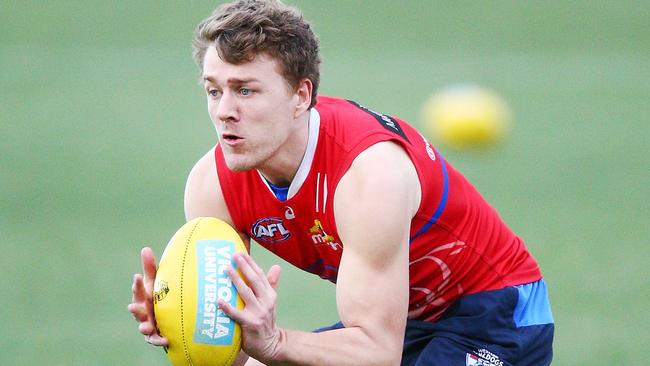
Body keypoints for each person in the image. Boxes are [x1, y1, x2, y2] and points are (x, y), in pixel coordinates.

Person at [128, 0, 554, 365]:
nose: (224, 111)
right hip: (395, 321)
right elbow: (243, 357)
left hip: (496, 315)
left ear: (300, 96)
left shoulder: (369, 173)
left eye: (245, 90)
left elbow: (376, 351)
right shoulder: (212, 187)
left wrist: (277, 343)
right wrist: (189, 327)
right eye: (214, 90)